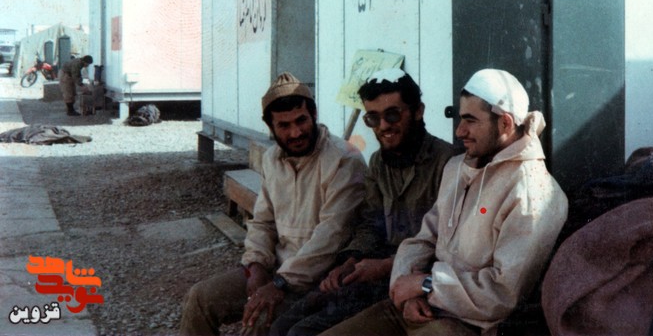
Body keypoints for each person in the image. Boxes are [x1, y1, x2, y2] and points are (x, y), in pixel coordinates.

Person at [320, 68, 569, 336]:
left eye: (471, 120)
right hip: (420, 305)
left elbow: (502, 294)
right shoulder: (458, 168)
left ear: (506, 124)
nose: (460, 131)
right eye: (460, 118)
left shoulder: (533, 193)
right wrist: (407, 291)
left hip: (468, 324)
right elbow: (421, 240)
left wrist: (427, 286)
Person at [269, 68, 459, 336]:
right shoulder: (379, 162)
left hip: (416, 282)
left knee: (302, 332)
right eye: (373, 118)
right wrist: (350, 261)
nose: (383, 126)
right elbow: (370, 223)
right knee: (282, 326)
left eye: (392, 115)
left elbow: (450, 248)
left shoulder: (448, 163)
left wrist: (384, 266)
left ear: (418, 111)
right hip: (373, 276)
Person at [180, 72, 367, 336]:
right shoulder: (272, 159)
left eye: (301, 120)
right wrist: (256, 265)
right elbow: (263, 222)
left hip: (321, 278)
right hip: (276, 270)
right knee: (200, 299)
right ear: (271, 126)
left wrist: (279, 283)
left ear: (314, 115)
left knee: (258, 322)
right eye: (284, 125)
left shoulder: (344, 159)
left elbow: (332, 236)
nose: (296, 132)